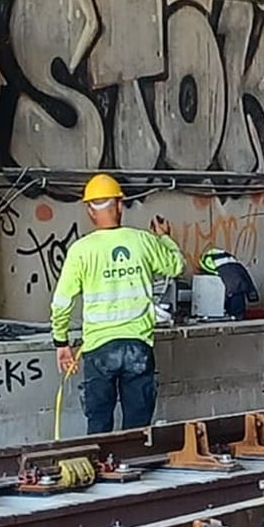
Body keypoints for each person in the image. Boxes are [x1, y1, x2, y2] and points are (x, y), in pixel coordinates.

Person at [49, 174, 187, 433]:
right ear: (120, 205)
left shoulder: (81, 250)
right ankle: (132, 464)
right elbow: (176, 266)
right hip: (138, 346)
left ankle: (102, 466)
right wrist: (164, 238)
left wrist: (61, 343)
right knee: (137, 425)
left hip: (99, 349)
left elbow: (62, 302)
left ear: (90, 210)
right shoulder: (143, 241)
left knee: (99, 421)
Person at [199, 248, 259, 318]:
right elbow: (246, 277)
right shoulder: (232, 260)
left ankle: (234, 314)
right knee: (237, 290)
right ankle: (237, 314)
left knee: (234, 291)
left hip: (231, 288)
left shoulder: (209, 259)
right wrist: (252, 294)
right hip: (238, 282)